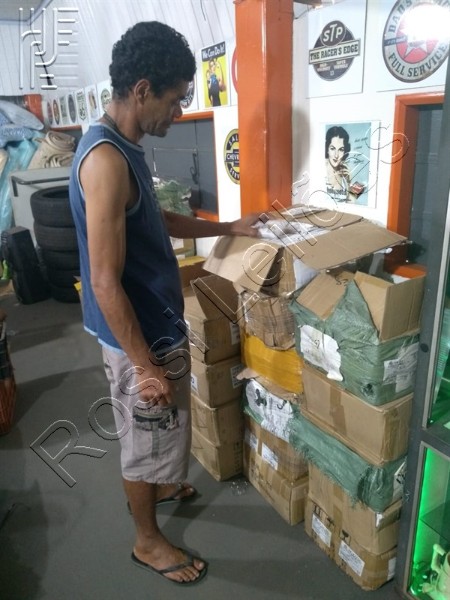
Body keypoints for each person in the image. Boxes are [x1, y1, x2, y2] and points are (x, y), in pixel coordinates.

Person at [69, 21, 260, 586]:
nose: (179, 112)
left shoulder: (122, 146)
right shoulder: (106, 161)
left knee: (159, 429)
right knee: (144, 434)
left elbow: (157, 220)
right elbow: (104, 281)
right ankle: (147, 541)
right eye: (175, 100)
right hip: (140, 337)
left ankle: (163, 482)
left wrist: (228, 226)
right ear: (142, 89)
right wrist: (144, 365)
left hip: (153, 325)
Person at [324, 125, 357, 203]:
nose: (336, 155)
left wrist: (349, 182)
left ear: (345, 151)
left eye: (341, 149)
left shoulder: (346, 172)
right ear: (327, 149)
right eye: (332, 148)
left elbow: (353, 204)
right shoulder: (319, 167)